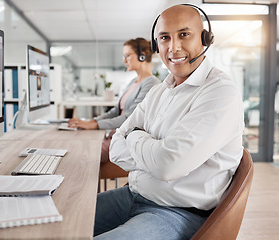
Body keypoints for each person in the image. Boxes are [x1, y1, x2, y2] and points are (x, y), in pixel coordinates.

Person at [94, 4, 244, 240]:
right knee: (60, 220)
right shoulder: (159, 91)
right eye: (164, 38)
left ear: (205, 38)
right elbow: (115, 150)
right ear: (156, 46)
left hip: (177, 213)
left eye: (184, 35)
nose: (173, 47)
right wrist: (154, 155)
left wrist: (133, 135)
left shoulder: (219, 92)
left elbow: (167, 165)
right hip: (132, 195)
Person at [68, 37, 160, 163]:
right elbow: (115, 112)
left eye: (127, 56)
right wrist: (92, 121)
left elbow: (130, 118)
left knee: (83, 156)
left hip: (126, 140)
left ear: (142, 56)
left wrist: (95, 125)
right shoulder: (133, 82)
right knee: (76, 146)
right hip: (115, 135)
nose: (124, 60)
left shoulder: (151, 83)